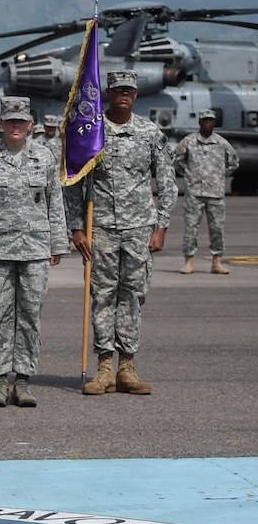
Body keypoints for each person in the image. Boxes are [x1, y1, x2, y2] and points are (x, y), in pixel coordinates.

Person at [66, 70, 177, 396]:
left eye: (129, 90)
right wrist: (76, 227)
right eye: (117, 90)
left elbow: (167, 182)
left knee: (132, 296)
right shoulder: (91, 131)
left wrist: (162, 226)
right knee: (102, 296)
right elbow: (75, 180)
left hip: (139, 228)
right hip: (100, 227)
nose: (123, 95)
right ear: (108, 93)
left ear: (136, 95)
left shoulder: (149, 133)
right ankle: (104, 368)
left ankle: (127, 366)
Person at [0, 96, 67, 407]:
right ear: (0, 123)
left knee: (30, 316)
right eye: (9, 120)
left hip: (35, 249)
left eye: (20, 121)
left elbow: (55, 203)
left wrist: (57, 244)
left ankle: (23, 381)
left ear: (29, 125)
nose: (15, 125)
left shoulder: (44, 158)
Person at [176, 109, 239, 275]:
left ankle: (217, 262)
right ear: (199, 122)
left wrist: (219, 176)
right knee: (191, 228)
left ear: (214, 123)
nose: (207, 123)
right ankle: (189, 261)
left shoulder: (222, 143)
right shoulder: (188, 142)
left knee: (217, 228)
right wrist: (188, 174)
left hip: (215, 194)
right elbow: (176, 161)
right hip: (194, 193)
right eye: (204, 120)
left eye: (210, 120)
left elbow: (234, 163)